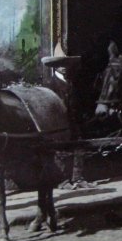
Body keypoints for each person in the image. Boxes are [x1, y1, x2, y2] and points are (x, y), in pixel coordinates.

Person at [42, 42, 93, 189]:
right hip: (58, 124)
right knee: (61, 151)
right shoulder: (50, 84)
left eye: (66, 63)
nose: (64, 66)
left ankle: (78, 178)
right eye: (60, 64)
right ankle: (63, 181)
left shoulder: (72, 83)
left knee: (78, 147)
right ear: (54, 66)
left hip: (74, 121)